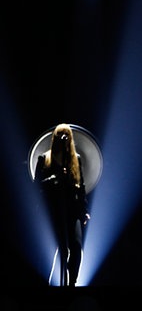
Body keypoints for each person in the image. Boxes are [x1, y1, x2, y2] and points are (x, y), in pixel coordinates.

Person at [34, 123, 90, 287]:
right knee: (62, 250)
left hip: (73, 210)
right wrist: (55, 179)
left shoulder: (76, 160)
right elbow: (36, 186)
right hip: (54, 210)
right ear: (55, 139)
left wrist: (84, 210)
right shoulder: (44, 159)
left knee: (77, 248)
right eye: (60, 135)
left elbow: (82, 186)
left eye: (66, 136)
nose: (63, 139)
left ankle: (72, 283)